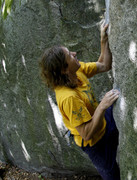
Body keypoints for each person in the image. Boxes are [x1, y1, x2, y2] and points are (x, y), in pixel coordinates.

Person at [39, 22, 120, 180]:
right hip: (96, 144)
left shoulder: (76, 71)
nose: (75, 54)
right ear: (63, 69)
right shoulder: (68, 97)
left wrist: (103, 40)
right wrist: (102, 106)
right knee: (112, 175)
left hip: (104, 121)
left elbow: (104, 65)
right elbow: (86, 134)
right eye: (70, 55)